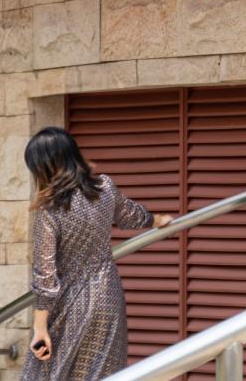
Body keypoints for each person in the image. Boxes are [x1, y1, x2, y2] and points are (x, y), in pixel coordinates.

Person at [21, 126, 173, 380]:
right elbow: (131, 216)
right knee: (103, 373)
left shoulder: (50, 209)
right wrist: (156, 220)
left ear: (44, 167)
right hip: (107, 297)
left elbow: (46, 277)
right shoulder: (104, 187)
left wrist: (39, 327)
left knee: (46, 374)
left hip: (71, 303)